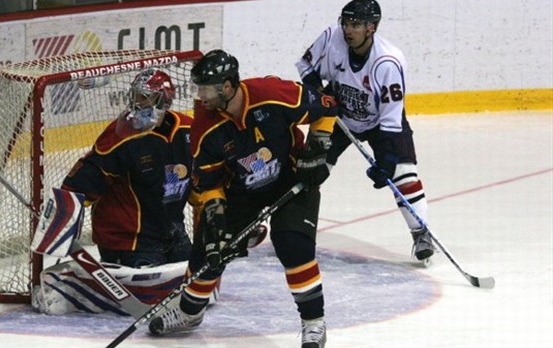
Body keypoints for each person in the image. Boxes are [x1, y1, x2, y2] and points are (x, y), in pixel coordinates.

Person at [147, 49, 338, 348]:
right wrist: (214, 214)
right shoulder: (206, 125)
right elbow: (207, 181)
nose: (200, 95)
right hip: (241, 190)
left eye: (206, 88)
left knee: (293, 244)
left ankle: (313, 322)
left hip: (291, 178)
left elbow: (326, 106)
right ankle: (188, 313)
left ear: (226, 86)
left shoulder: (271, 94)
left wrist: (318, 145)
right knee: (207, 249)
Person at [295, 0, 435, 262]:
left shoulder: (387, 63)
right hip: (338, 117)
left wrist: (388, 159)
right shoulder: (331, 38)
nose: (348, 30)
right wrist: (321, 90)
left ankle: (421, 233)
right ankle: (292, 229)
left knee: (402, 173)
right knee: (309, 169)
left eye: (356, 25)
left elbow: (392, 118)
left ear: (371, 27)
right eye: (346, 23)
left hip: (380, 123)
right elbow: (304, 66)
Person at [62, 68, 194, 268]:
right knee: (159, 295)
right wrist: (61, 221)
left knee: (196, 283)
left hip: (172, 232)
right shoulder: (120, 136)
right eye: (135, 97)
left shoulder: (188, 131)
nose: (137, 104)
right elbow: (80, 183)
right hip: (126, 241)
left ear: (164, 101)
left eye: (145, 98)